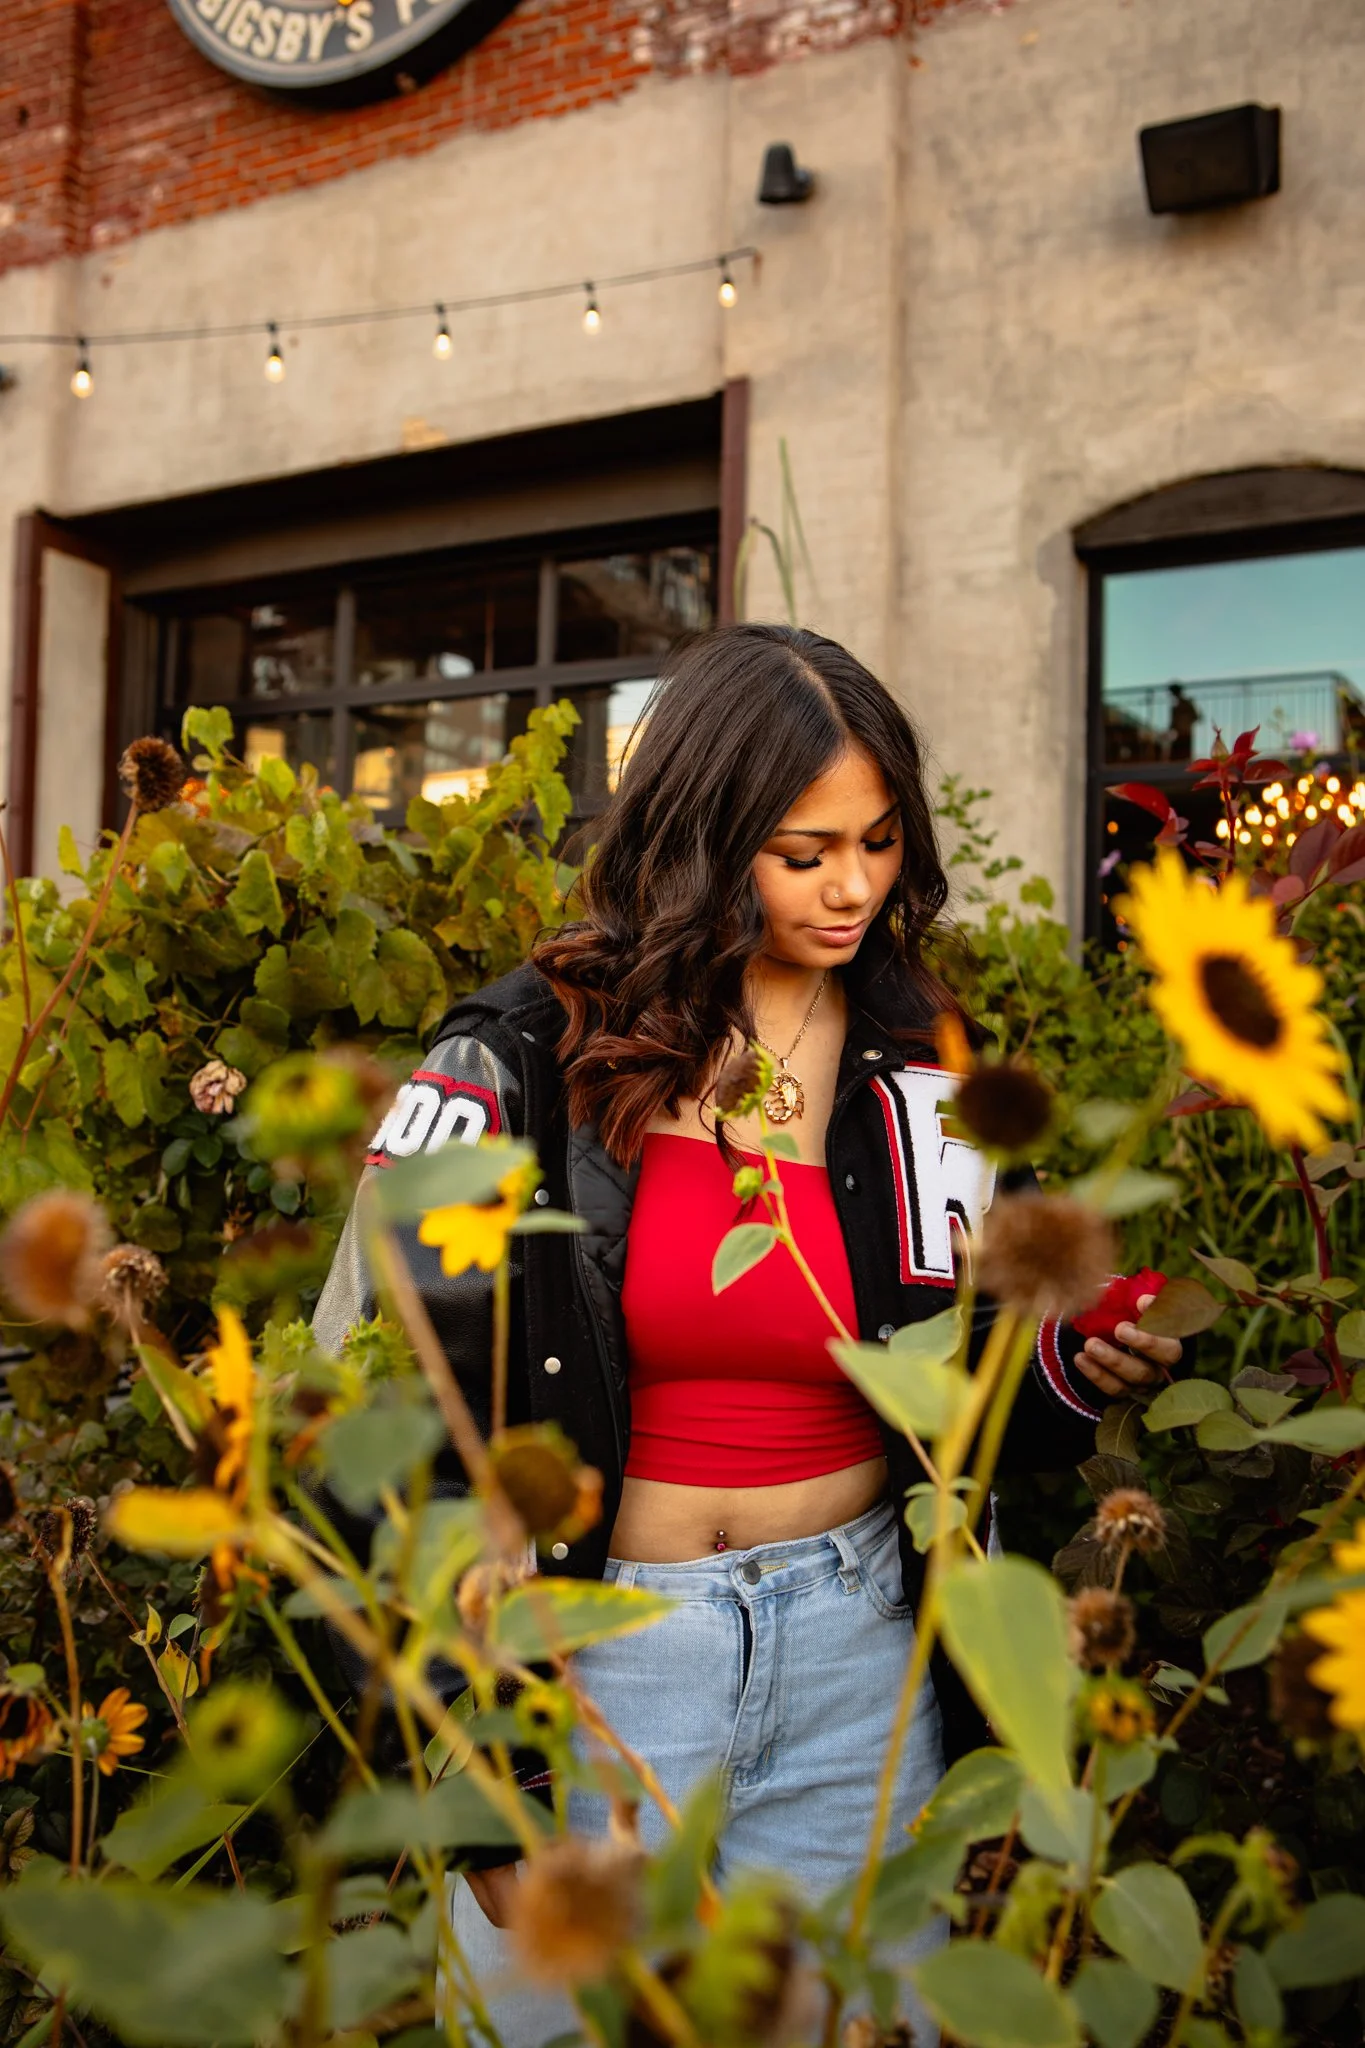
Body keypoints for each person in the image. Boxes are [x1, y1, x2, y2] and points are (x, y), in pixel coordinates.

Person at [314, 623, 1181, 2040]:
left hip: (861, 1653)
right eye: (805, 850)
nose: (856, 887)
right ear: (704, 839)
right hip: (591, 1672)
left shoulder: (924, 1062)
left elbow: (958, 1409)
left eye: (883, 840)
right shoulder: (517, 1056)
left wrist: (1069, 1368)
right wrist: (472, 1788)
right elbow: (367, 1417)